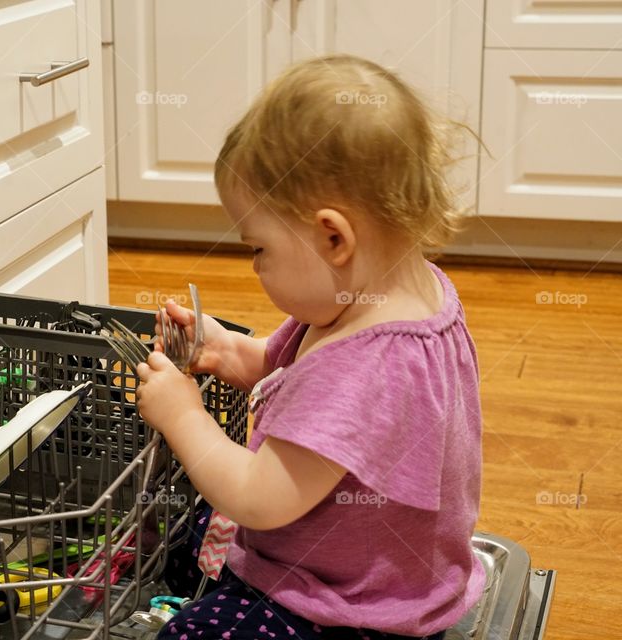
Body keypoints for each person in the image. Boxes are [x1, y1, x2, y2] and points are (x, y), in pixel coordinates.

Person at [135, 54, 485, 640]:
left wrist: (184, 414)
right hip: (388, 569)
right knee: (192, 525)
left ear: (333, 236)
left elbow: (257, 499)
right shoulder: (393, 298)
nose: (254, 266)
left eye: (258, 248)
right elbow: (288, 371)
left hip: (351, 610)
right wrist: (223, 350)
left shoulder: (362, 366)